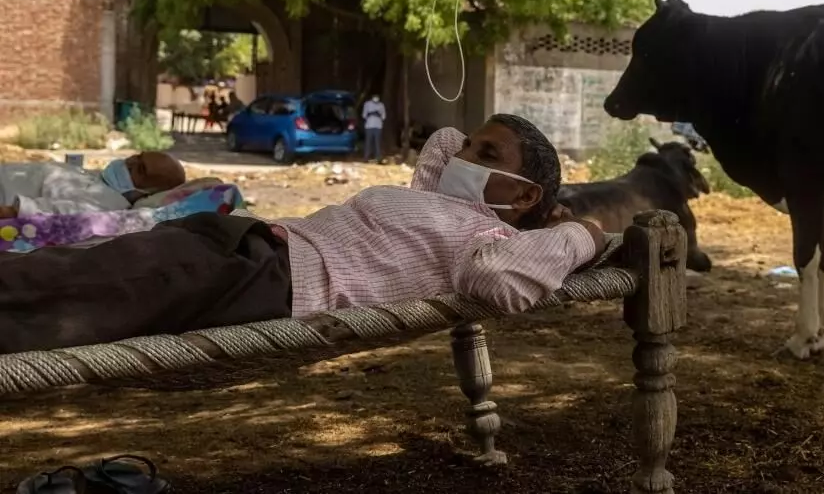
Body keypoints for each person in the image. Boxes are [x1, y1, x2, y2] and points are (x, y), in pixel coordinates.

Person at [0, 114, 605, 354]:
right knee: (82, 268)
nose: (463, 153)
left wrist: (588, 232)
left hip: (270, 276)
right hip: (247, 239)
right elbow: (439, 148)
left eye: (487, 151)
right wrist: (464, 146)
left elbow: (499, 281)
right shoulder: (429, 202)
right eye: (471, 142)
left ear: (524, 196)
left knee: (71, 288)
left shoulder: (491, 247)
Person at [0, 152, 187, 218]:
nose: (130, 162)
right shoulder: (99, 180)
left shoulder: (104, 204)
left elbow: (29, 212)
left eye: (141, 169)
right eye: (138, 156)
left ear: (149, 193)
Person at [361, 94, 386, 162]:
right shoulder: (367, 104)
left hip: (378, 126)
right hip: (369, 126)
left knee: (377, 142)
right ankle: (366, 157)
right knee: (368, 142)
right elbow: (364, 115)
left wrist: (378, 114)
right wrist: (370, 114)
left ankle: (378, 158)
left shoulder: (381, 105)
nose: (376, 99)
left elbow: (384, 116)